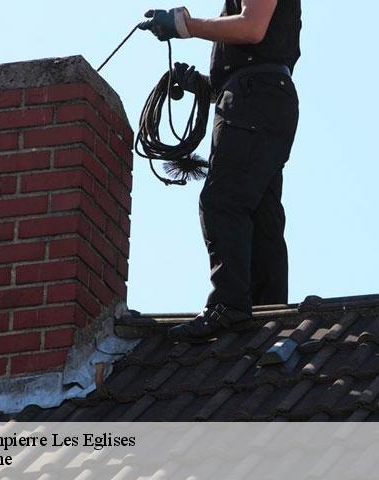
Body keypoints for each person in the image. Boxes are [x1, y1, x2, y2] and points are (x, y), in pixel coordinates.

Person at [138, 0, 302, 342]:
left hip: (254, 98)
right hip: (262, 96)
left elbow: (251, 28)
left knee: (222, 201)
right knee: (260, 213)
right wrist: (205, 85)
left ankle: (230, 306)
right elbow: (259, 49)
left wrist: (184, 25)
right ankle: (267, 315)